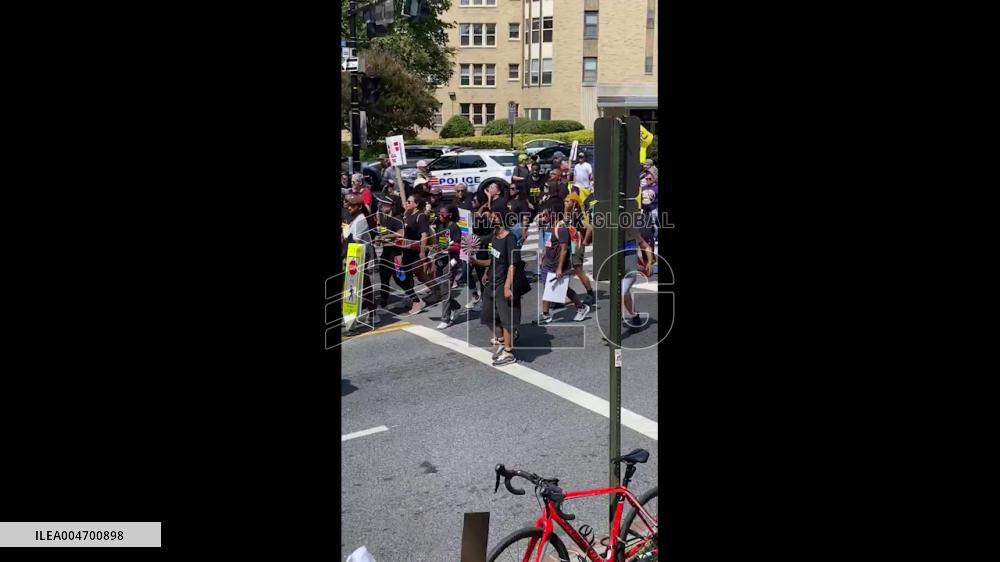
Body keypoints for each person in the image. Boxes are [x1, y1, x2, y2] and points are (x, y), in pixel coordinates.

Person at [469, 200, 519, 366]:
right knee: (489, 316)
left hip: (502, 283)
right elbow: (493, 259)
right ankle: (501, 341)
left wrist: (507, 286)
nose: (492, 219)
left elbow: (512, 264)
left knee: (506, 318)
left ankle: (509, 352)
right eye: (491, 216)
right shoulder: (494, 237)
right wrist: (480, 266)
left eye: (496, 216)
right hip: (491, 282)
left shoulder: (510, 238)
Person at [538, 203, 590, 323]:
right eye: (541, 216)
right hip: (548, 263)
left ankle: (581, 307)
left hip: (557, 264)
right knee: (548, 287)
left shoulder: (561, 229)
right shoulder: (548, 226)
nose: (543, 219)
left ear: (553, 214)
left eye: (545, 215)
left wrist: (560, 268)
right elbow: (548, 244)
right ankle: (545, 314)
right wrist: (543, 256)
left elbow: (564, 249)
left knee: (564, 288)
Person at [373, 194, 415, 312]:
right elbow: (384, 234)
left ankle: (414, 298)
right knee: (384, 277)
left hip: (395, 253)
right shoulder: (385, 219)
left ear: (391, 206)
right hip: (386, 252)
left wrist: (387, 236)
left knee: (399, 278)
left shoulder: (397, 219)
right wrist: (379, 239)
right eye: (380, 204)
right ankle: (383, 301)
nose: (380, 206)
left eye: (383, 204)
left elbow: (401, 234)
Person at [342, 193, 378, 330]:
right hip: (353, 256)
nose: (347, 206)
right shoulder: (353, 218)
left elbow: (354, 240)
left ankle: (368, 314)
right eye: (346, 203)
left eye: (351, 205)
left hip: (361, 256)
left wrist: (346, 257)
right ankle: (368, 312)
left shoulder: (361, 219)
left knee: (360, 286)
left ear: (359, 206)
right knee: (362, 286)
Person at [623, 211, 655, 329]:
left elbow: (647, 247)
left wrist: (649, 263)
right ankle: (635, 317)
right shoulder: (612, 236)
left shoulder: (634, 234)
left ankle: (631, 318)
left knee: (622, 292)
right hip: (618, 268)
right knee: (624, 294)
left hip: (630, 270)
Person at [402, 193, 433, 314]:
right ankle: (412, 298)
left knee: (419, 274)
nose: (406, 203)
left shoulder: (421, 216)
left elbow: (424, 235)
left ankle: (438, 291)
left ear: (416, 204)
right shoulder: (408, 214)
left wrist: (422, 251)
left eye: (409, 202)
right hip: (407, 250)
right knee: (411, 274)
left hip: (416, 250)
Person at [434, 205, 464, 329]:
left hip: (451, 261)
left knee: (445, 289)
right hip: (440, 259)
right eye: (439, 213)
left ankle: (445, 319)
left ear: (450, 215)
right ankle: (455, 306)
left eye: (442, 214)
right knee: (440, 287)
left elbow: (458, 246)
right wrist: (437, 247)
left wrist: (447, 248)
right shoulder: (440, 225)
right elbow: (439, 241)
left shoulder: (454, 227)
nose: (440, 216)